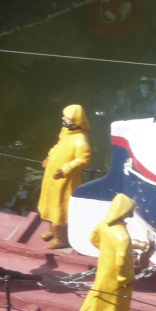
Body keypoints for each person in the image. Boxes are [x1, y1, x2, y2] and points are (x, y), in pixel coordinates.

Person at [79, 193, 136, 311]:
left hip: (103, 273)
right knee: (113, 310)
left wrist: (105, 250)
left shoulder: (103, 225)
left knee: (98, 304)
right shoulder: (123, 237)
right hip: (116, 280)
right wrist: (126, 278)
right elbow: (122, 261)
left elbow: (93, 239)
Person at [38, 104, 92, 250]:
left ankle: (60, 238)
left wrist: (64, 170)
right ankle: (52, 229)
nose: (64, 119)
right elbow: (58, 146)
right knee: (49, 204)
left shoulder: (80, 141)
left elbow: (83, 160)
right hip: (51, 178)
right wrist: (49, 156)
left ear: (76, 122)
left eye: (67, 118)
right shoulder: (65, 132)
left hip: (64, 181)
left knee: (59, 209)